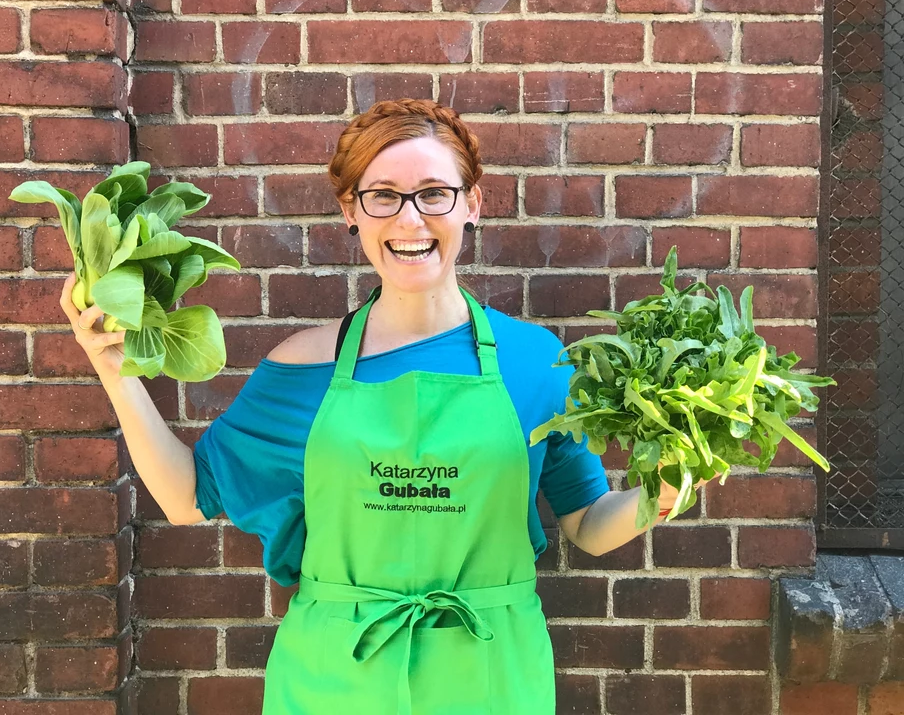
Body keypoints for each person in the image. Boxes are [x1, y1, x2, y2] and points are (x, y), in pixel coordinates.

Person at [60, 99, 689, 714]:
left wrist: (661, 493)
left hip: (492, 677)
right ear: (351, 212)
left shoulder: (537, 361)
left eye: (434, 193)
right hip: (336, 680)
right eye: (383, 195)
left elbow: (586, 522)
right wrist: (114, 371)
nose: (409, 220)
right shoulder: (301, 368)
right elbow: (187, 496)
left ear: (473, 203)